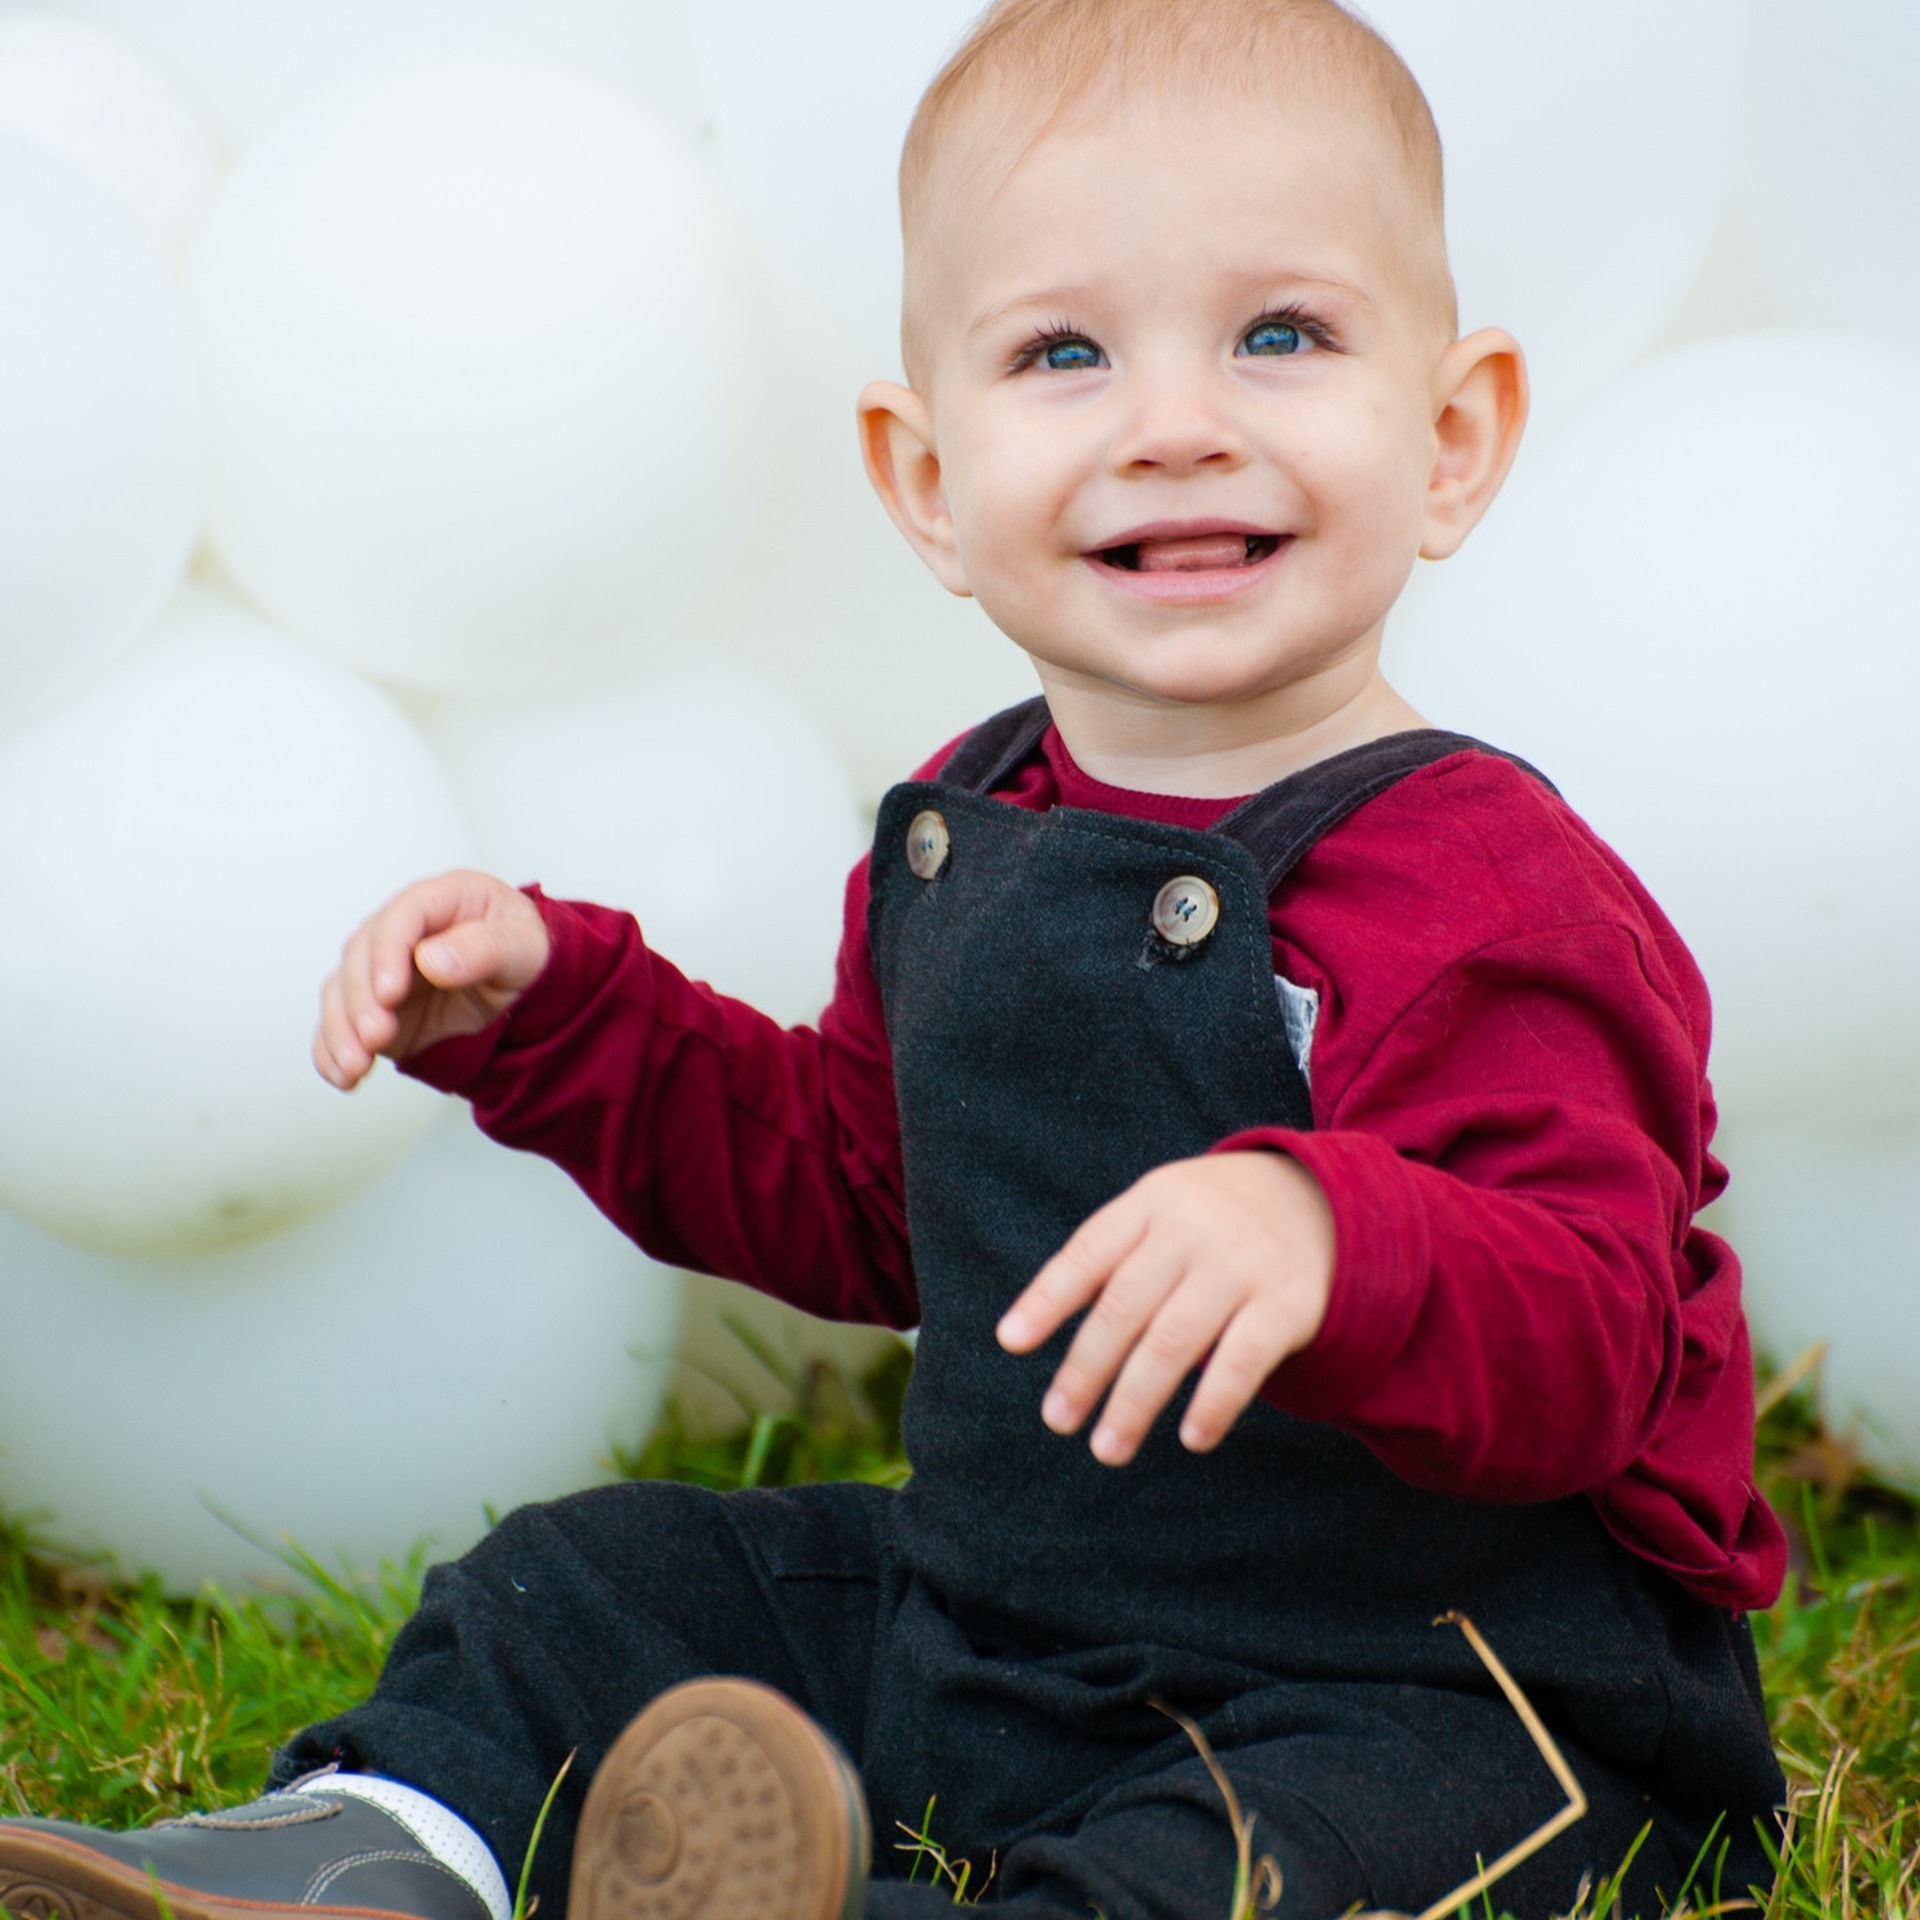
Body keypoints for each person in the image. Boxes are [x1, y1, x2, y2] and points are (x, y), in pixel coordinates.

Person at [0, 2, 1788, 1916]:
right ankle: (381, 1852)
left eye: (1281, 334)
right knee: (594, 1582)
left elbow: (1596, 1331)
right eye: (1062, 352)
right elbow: (863, 1197)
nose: (1175, 421)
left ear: (1449, 439)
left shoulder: (1490, 893)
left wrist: (1341, 1238)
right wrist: (565, 1017)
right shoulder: (964, 827)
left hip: (1433, 1676)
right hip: (1007, 1624)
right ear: (929, 484)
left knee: (1267, 1868)